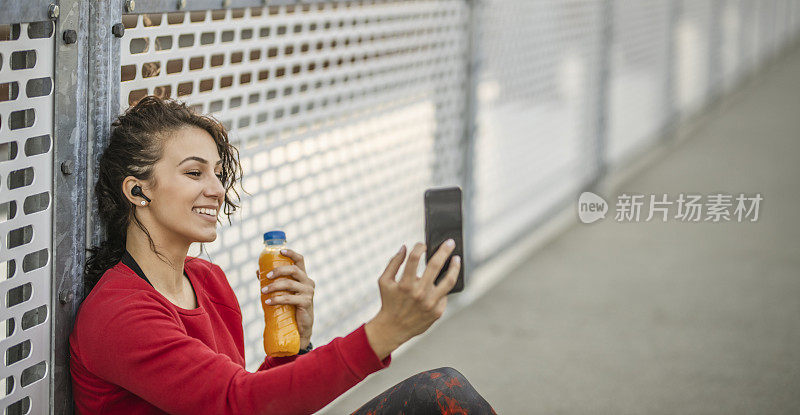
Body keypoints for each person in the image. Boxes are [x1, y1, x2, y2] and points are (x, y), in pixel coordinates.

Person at [69, 95, 497, 414]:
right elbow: (238, 403)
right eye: (194, 172)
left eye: (218, 174)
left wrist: (297, 345)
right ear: (137, 190)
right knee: (440, 395)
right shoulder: (118, 314)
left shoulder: (206, 280)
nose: (216, 189)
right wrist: (384, 332)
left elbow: (248, 399)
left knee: (440, 393)